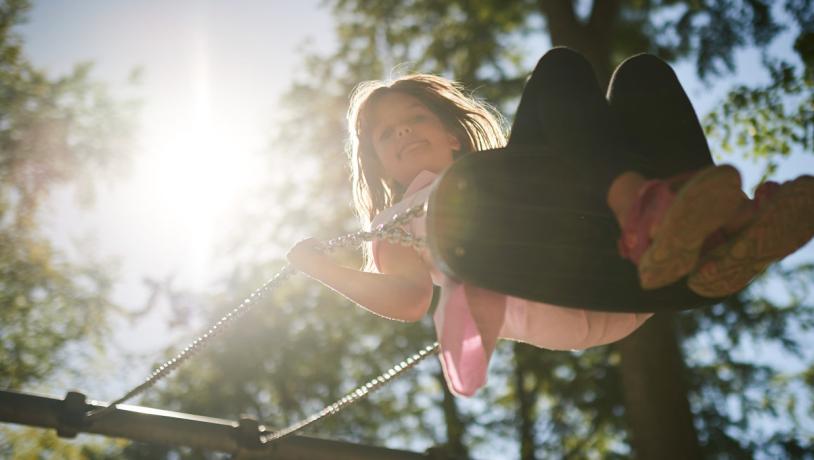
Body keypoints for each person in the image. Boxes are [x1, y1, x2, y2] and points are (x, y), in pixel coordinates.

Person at [287, 47, 814, 396]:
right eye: (385, 135)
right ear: (380, 165)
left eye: (414, 119)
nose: (401, 133)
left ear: (451, 134)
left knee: (640, 75)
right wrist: (319, 268)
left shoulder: (514, 172)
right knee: (560, 67)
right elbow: (409, 299)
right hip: (550, 281)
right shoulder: (396, 222)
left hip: (630, 274)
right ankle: (648, 212)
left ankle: (708, 236)